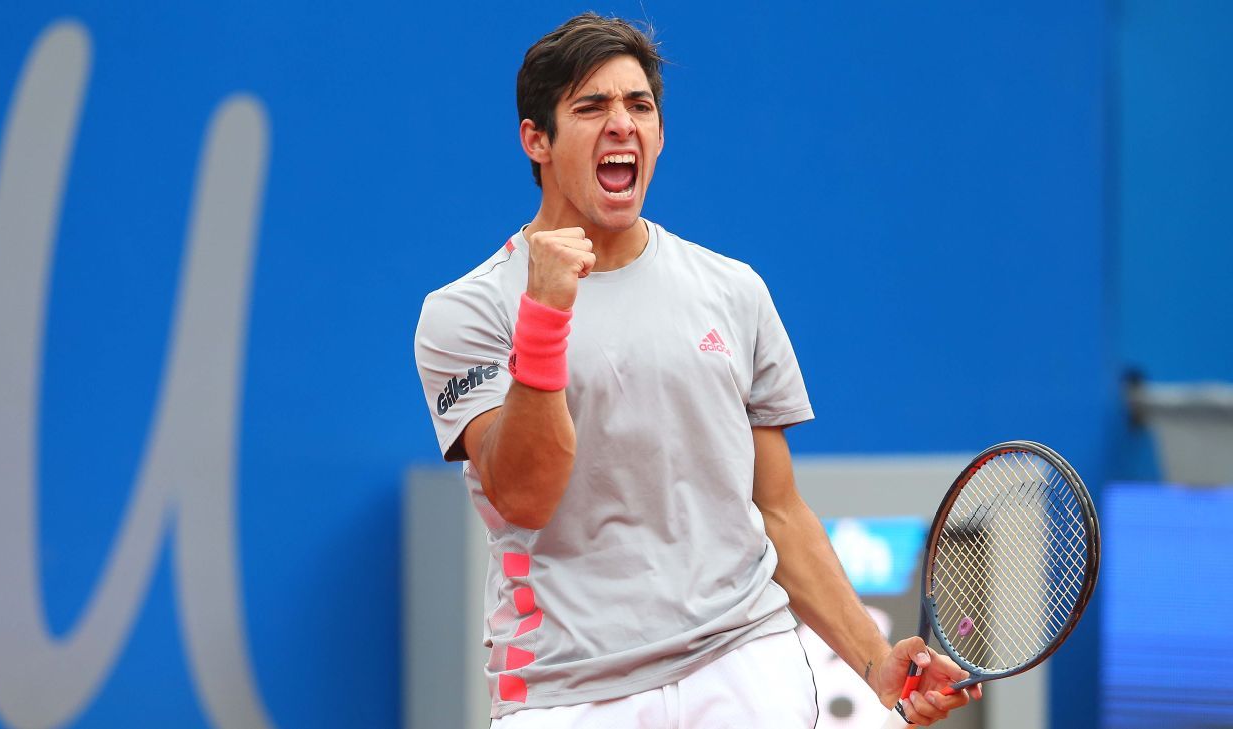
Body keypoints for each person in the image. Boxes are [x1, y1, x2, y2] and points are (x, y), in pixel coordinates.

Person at [414, 12, 981, 727]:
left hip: (743, 662)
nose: (621, 124)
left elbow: (778, 508)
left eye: (639, 106)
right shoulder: (466, 311)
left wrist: (875, 662)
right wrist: (546, 317)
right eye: (591, 107)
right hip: (569, 688)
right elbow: (525, 495)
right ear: (537, 140)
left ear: (659, 134)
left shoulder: (734, 291)